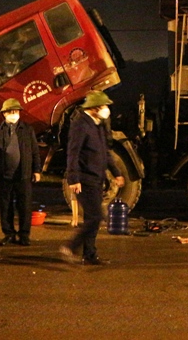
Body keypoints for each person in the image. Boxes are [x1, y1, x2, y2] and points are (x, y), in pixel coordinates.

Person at [60, 91, 124, 266]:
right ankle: (71, 247)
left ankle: (89, 255)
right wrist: (73, 179)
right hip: (85, 179)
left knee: (92, 219)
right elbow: (73, 152)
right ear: (95, 108)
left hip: (97, 178)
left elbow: (105, 152)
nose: (106, 110)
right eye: (104, 106)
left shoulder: (98, 125)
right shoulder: (80, 125)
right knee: (96, 216)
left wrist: (116, 172)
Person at [0, 98, 42, 246]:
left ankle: (24, 235)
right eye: (10, 112)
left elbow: (35, 151)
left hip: (23, 175)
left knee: (25, 206)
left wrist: (37, 170)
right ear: (4, 114)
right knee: (5, 206)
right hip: (4, 175)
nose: (14, 114)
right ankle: (9, 233)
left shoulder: (27, 130)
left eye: (16, 111)